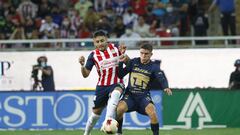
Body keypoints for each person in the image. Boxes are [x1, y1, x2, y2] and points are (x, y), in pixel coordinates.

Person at [116, 43, 172, 135]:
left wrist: (165, 87)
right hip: (130, 95)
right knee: (119, 109)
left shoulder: (154, 66)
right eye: (141, 53)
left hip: (143, 96)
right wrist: (121, 62)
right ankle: (119, 132)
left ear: (151, 54)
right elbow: (120, 74)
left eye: (146, 54)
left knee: (153, 113)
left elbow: (161, 78)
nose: (143, 55)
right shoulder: (133, 62)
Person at [78, 30, 126, 135]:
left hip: (117, 82)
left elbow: (127, 62)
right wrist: (82, 65)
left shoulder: (116, 48)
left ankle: (108, 121)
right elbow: (85, 74)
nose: (100, 43)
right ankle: (86, 133)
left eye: (102, 41)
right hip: (102, 86)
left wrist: (124, 55)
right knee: (95, 114)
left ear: (106, 40)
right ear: (94, 43)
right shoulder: (93, 55)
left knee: (116, 93)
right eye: (97, 42)